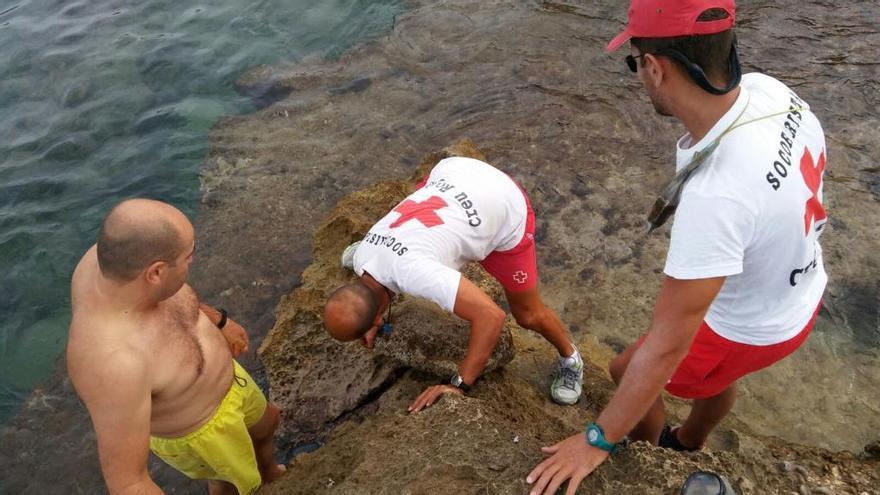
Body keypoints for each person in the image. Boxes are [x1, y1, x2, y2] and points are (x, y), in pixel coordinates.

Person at [527, 0, 828, 493]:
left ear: (654, 67)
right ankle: (689, 439)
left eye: (635, 64)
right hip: (801, 292)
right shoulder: (772, 92)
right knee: (710, 377)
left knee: (629, 371)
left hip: (750, 329)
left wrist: (596, 439)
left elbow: (668, 345)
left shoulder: (718, 193)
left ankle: (650, 455)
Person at [323, 156, 584, 411]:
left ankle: (571, 359)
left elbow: (491, 316)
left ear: (376, 320)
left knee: (528, 315)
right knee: (401, 242)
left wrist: (459, 383)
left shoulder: (416, 272)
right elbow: (378, 287)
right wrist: (371, 316)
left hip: (505, 204)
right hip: (454, 171)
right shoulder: (361, 256)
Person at [67, 199, 285, 495]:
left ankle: (271, 470)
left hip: (231, 382)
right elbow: (129, 482)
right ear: (155, 272)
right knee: (235, 483)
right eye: (189, 256)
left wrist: (219, 322)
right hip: (202, 429)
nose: (192, 261)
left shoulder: (113, 259)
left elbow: (176, 302)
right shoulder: (113, 362)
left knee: (267, 423)